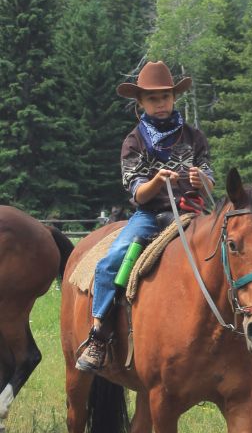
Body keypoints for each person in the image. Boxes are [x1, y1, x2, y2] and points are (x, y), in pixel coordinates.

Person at [76, 60, 215, 374]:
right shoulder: (134, 141)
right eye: (153, 98)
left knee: (227, 249)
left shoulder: (194, 137)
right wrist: (156, 181)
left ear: (174, 98)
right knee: (112, 261)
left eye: (166, 96)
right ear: (140, 102)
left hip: (192, 212)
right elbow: (137, 192)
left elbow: (208, 176)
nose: (161, 103)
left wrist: (201, 181)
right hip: (151, 215)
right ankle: (99, 333)